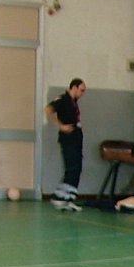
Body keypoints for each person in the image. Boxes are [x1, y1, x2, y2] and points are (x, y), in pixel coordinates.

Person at [43, 78, 86, 211]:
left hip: (76, 139)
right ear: (74, 87)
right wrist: (60, 125)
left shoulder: (73, 102)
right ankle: (59, 197)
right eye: (82, 90)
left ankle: (68, 198)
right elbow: (48, 109)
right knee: (72, 168)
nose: (83, 93)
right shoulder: (63, 99)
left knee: (76, 168)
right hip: (69, 140)